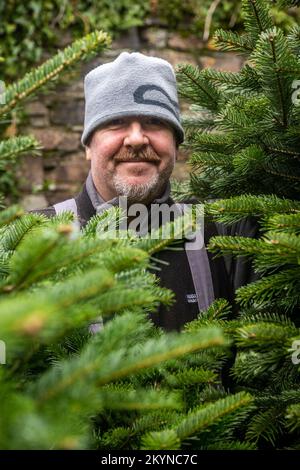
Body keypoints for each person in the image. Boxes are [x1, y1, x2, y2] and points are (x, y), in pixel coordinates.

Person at [35, 52, 260, 331]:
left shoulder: (221, 235)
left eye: (154, 122)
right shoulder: (33, 239)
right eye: (115, 122)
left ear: (176, 144)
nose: (137, 138)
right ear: (88, 146)